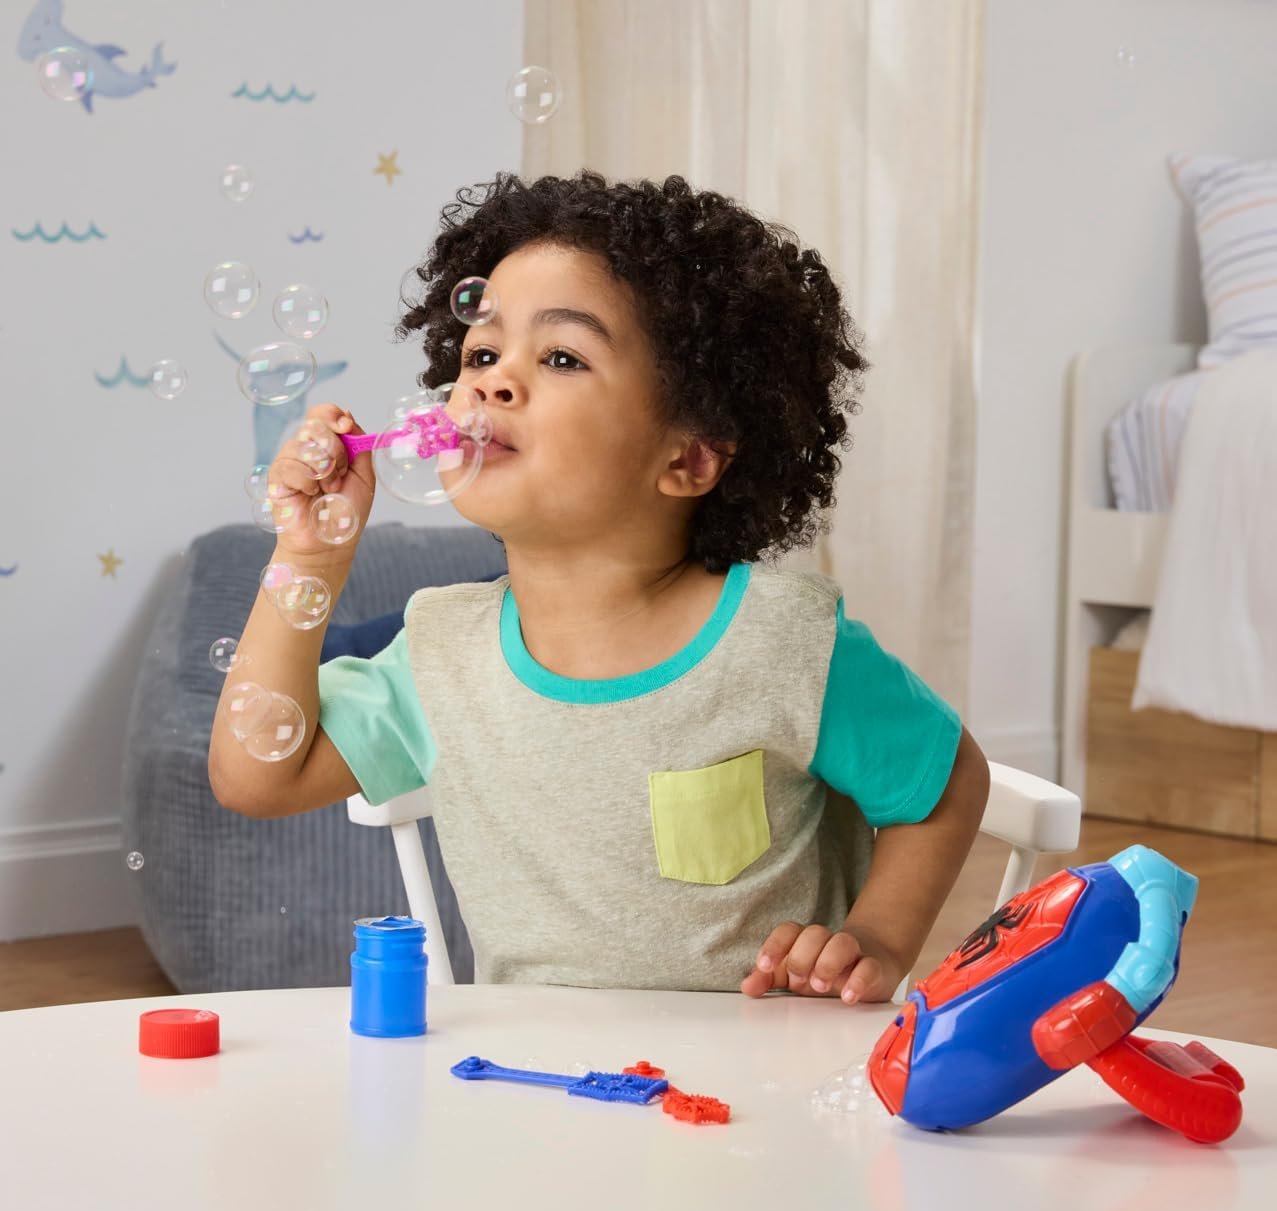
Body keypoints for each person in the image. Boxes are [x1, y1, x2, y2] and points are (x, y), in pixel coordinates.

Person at [208, 170, 990, 1004]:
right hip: (535, 1071)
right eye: (481, 353)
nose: (491, 381)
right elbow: (259, 777)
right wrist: (311, 556)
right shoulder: (442, 653)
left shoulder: (778, 642)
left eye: (560, 357)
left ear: (687, 458)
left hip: (760, 1069)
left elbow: (945, 782)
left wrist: (876, 937)